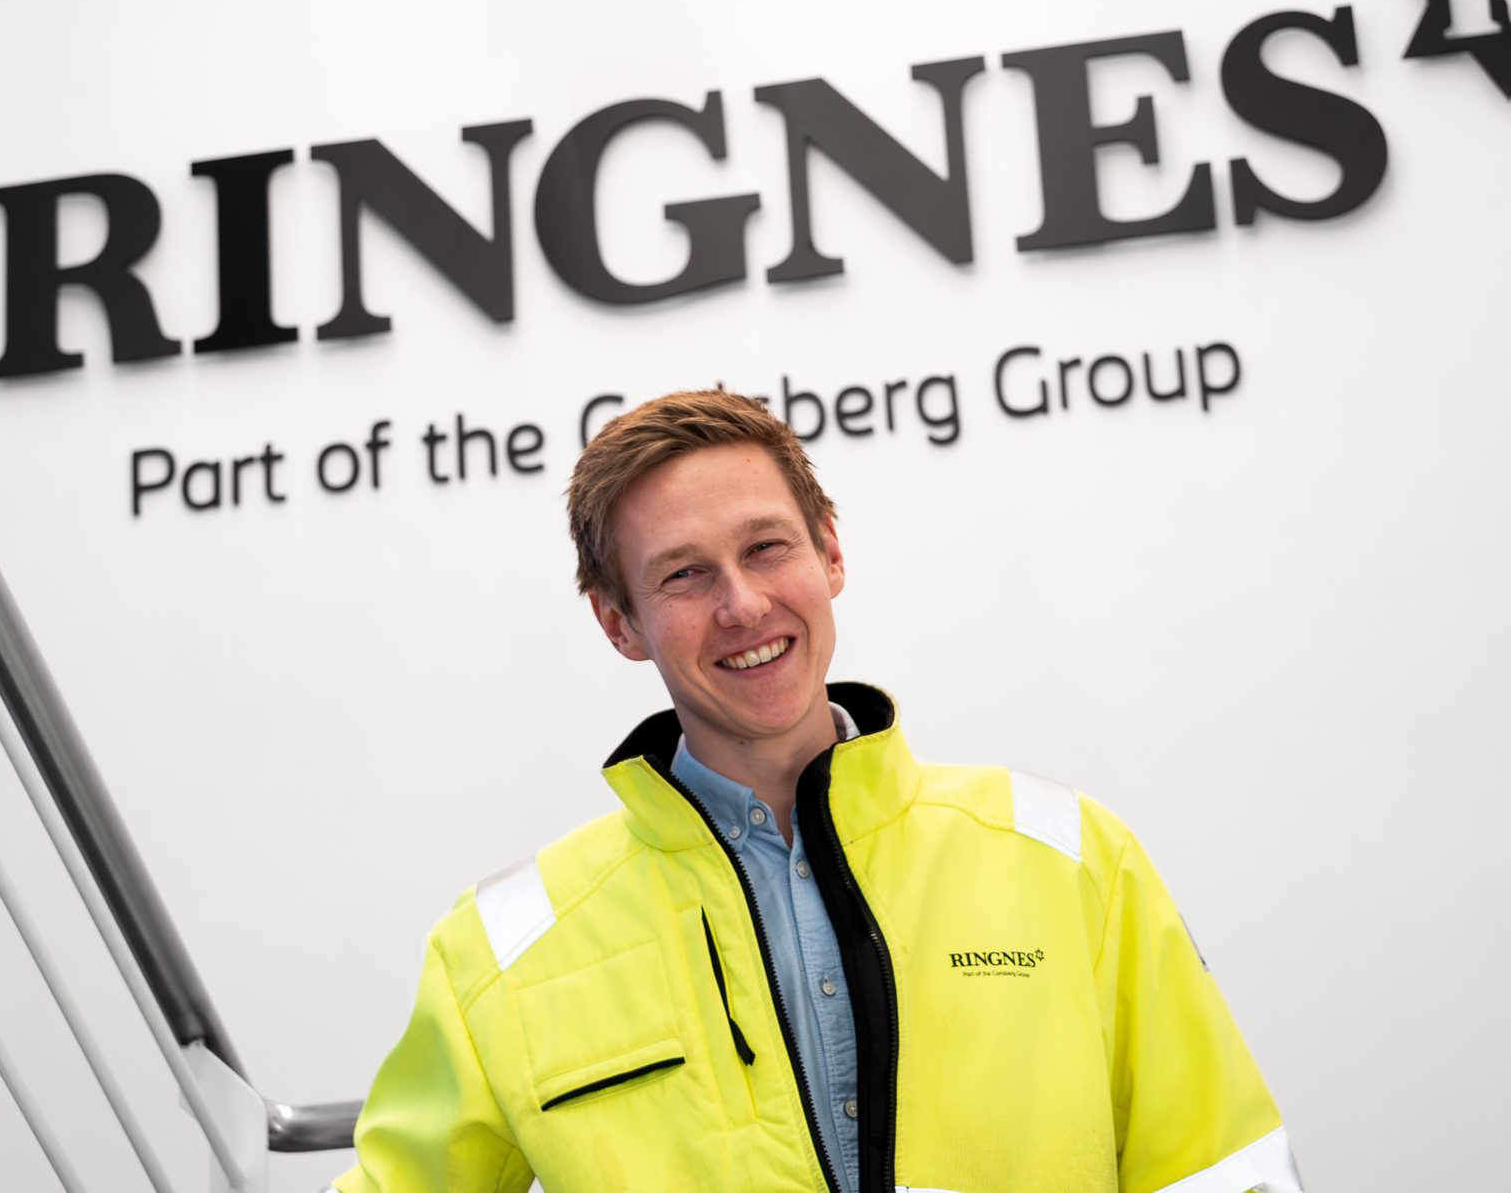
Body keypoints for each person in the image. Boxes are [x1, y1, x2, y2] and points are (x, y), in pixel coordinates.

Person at [331, 390, 1301, 1193]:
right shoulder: (500, 953)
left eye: (766, 548)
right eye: (681, 575)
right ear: (618, 622)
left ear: (830, 553)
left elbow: (1223, 1176)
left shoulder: (1068, 855)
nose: (742, 605)